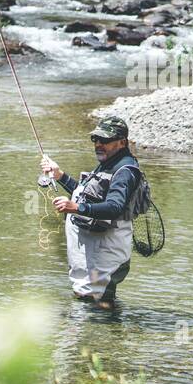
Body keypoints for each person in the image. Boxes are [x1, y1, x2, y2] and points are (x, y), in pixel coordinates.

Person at [40, 116, 143, 306]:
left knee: (98, 310)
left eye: (104, 140)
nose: (98, 144)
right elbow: (88, 194)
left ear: (122, 142)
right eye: (95, 139)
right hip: (94, 257)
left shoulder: (125, 171)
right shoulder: (109, 162)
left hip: (105, 257)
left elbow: (114, 207)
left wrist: (76, 208)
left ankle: (110, 334)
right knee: (88, 307)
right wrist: (60, 175)